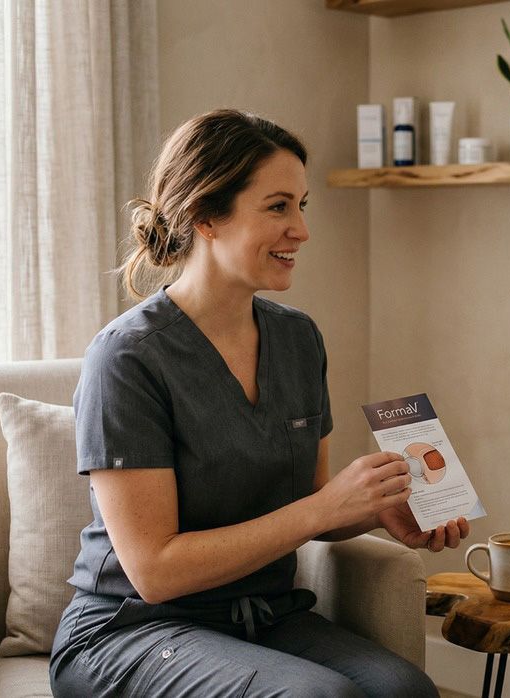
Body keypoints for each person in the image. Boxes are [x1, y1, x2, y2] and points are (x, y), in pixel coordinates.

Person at [49, 109, 468, 697]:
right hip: (132, 631)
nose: (301, 229)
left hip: (261, 614)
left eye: (301, 205)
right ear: (206, 217)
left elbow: (306, 500)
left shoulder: (298, 339)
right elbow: (155, 572)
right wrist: (323, 511)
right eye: (277, 207)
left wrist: (376, 511)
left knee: (405, 690)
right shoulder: (127, 358)